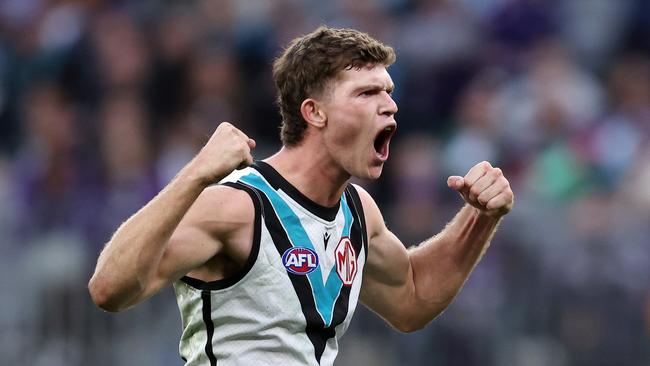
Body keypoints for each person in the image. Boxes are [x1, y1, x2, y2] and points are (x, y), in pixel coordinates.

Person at [88, 26, 514, 366]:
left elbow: (413, 300)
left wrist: (480, 218)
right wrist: (194, 175)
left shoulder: (357, 211)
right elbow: (109, 289)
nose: (390, 106)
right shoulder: (236, 205)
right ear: (314, 112)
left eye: (389, 92)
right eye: (367, 93)